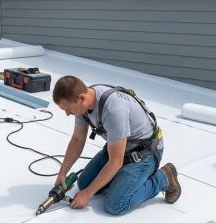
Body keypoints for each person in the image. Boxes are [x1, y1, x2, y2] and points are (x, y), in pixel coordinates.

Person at [52, 75, 180, 215]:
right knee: (84, 184)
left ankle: (164, 177)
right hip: (120, 148)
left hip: (144, 154)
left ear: (81, 98)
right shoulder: (83, 104)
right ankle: (121, 178)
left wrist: (88, 194)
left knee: (115, 204)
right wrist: (62, 172)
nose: (67, 114)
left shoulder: (113, 110)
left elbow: (116, 161)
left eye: (68, 109)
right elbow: (77, 139)